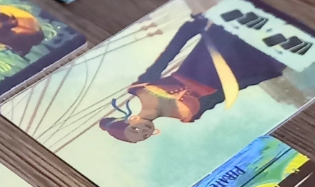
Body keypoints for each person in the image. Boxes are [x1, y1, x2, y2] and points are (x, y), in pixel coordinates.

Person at [99, 12, 286, 143]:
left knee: (258, 13)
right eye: (143, 136)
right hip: (243, 69)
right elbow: (224, 94)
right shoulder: (188, 116)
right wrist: (261, 76)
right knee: (284, 37)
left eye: (134, 129)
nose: (142, 130)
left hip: (210, 52)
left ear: (130, 120)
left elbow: (167, 56)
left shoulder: (142, 89)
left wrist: (190, 29)